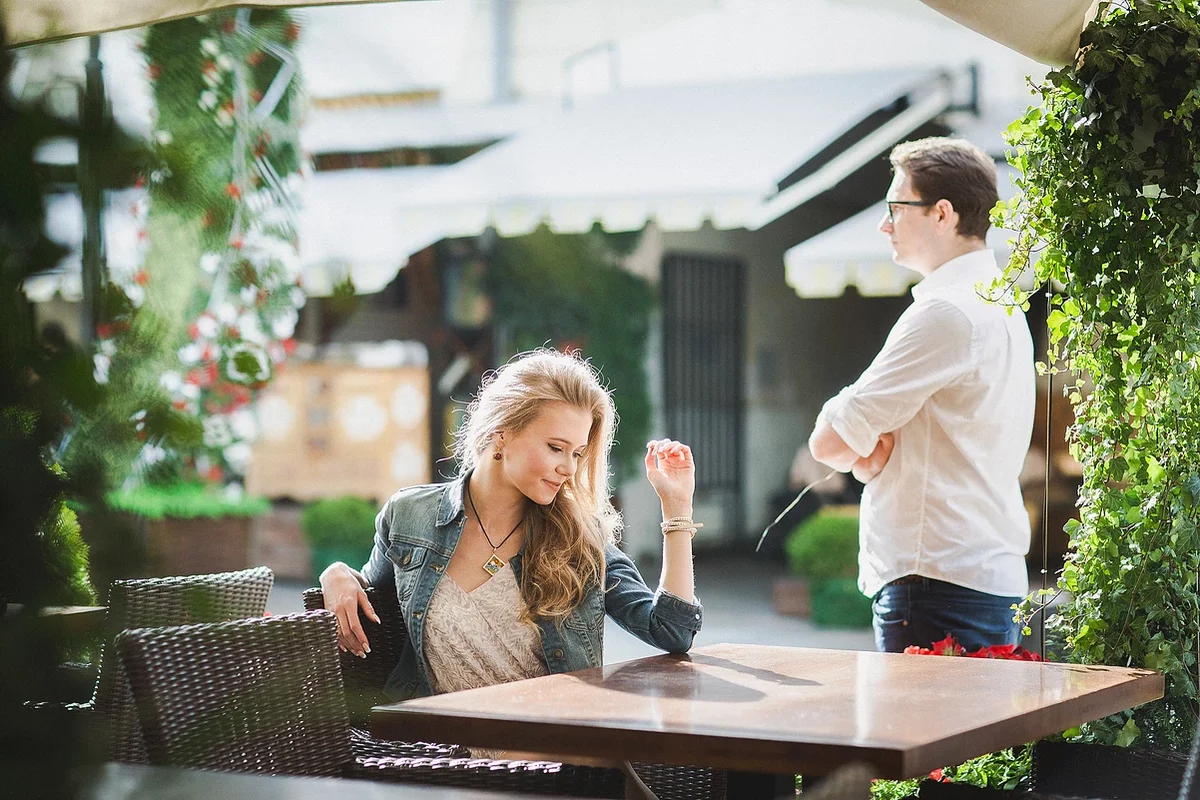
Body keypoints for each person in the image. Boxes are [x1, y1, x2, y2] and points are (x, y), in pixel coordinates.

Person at [320, 348, 702, 707]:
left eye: (577, 453)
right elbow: (372, 593)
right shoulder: (409, 516)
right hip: (440, 748)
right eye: (556, 447)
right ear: (503, 433)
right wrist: (336, 574)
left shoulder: (579, 538)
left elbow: (671, 630)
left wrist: (676, 509)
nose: (569, 468)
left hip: (546, 750)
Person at [807, 137, 1035, 653]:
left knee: (917, 736)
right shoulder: (1002, 305)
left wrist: (857, 427)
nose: (884, 224)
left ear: (942, 214)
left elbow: (830, 442)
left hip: (936, 581)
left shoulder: (947, 312)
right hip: (975, 575)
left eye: (895, 207)